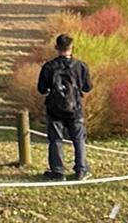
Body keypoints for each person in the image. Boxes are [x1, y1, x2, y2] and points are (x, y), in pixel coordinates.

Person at [37, 34, 93, 181]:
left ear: (56, 48)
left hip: (54, 109)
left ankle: (57, 171)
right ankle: (81, 169)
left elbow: (41, 89)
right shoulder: (81, 66)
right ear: (71, 47)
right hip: (75, 109)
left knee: (55, 139)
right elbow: (87, 88)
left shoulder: (49, 67)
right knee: (78, 139)